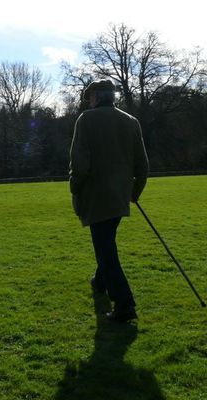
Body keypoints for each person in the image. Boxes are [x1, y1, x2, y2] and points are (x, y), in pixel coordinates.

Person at [69, 79, 149, 322]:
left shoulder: (86, 120)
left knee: (106, 251)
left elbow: (80, 163)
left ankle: (125, 305)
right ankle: (99, 282)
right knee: (106, 242)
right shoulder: (131, 121)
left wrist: (74, 188)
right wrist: (135, 192)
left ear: (96, 97)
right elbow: (142, 165)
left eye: (90, 96)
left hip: (96, 197)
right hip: (119, 197)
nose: (89, 101)